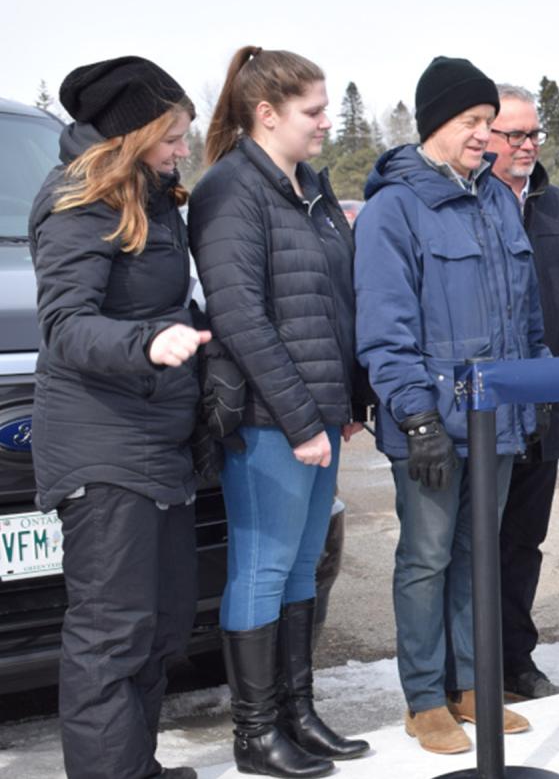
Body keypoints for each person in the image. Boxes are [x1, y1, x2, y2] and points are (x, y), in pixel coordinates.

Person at [355, 57, 550, 755]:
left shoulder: (496, 199)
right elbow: (383, 329)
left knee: (479, 554)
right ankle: (424, 696)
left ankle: (473, 683)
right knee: (427, 557)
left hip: (497, 418)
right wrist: (416, 419)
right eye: (473, 123)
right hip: (434, 424)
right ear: (437, 122)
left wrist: (534, 396)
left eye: (489, 124)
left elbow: (522, 313)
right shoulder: (392, 210)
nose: (486, 137)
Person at [189, 46, 370, 778]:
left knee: (301, 569)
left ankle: (298, 711)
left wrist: (349, 399)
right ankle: (255, 733)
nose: (327, 122)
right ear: (267, 114)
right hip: (268, 419)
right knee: (262, 567)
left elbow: (336, 300)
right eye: (313, 111)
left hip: (318, 411)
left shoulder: (310, 190)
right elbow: (240, 316)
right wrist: (300, 419)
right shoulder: (232, 190)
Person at [29, 56, 205, 779]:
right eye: (170, 136)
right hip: (104, 445)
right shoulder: (80, 199)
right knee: (111, 634)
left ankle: (138, 768)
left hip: (154, 437)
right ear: (131, 135)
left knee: (158, 628)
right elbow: (67, 325)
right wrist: (150, 342)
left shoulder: (150, 195)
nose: (181, 149)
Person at [486, 84, 559, 700]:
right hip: (488, 403)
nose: (526, 146)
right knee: (472, 543)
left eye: (533, 135)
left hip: (544, 402)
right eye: (512, 135)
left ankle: (517, 660)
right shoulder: (468, 202)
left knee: (524, 540)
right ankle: (464, 670)